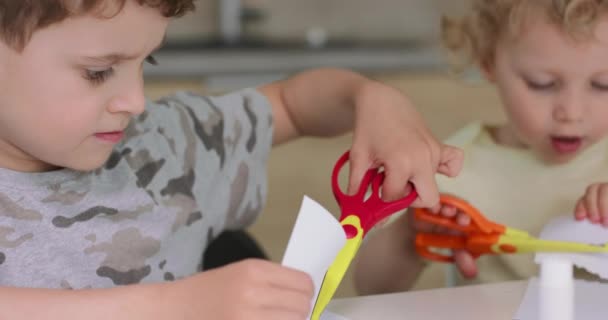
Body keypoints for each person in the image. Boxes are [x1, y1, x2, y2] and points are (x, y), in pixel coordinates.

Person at [0, 1, 464, 318]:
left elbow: (292, 105)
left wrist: (372, 99)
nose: (136, 100)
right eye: (98, 72)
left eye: (147, 62)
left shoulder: (165, 148)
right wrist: (172, 307)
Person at [354, 0, 608, 295]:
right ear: (489, 62)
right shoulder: (450, 167)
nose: (572, 112)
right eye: (543, 83)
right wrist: (408, 236)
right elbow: (369, 289)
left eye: (603, 85)